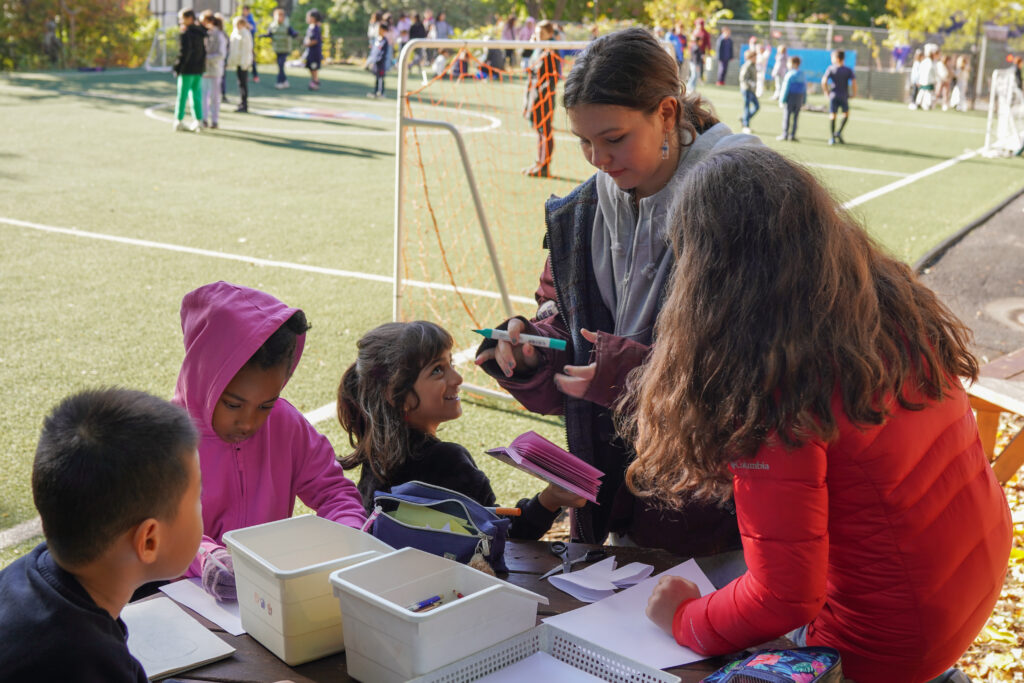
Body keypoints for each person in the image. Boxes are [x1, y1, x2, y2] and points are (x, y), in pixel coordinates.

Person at [631, 144, 1012, 683]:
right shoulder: (887, 300)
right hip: (971, 577)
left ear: (706, 273)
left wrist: (685, 619)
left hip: (888, 641)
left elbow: (782, 598)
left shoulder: (772, 389)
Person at [475, 28, 757, 558]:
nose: (598, 158)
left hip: (724, 512)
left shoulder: (743, 198)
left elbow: (757, 373)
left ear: (668, 113)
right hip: (623, 500)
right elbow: (564, 316)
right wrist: (533, 347)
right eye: (584, 141)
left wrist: (627, 376)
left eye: (614, 137)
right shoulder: (585, 209)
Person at [172, 281, 366, 602]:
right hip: (188, 601)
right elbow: (165, 527)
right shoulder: (164, 441)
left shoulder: (286, 423)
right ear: (203, 376)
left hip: (271, 597)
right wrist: (208, 558)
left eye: (266, 404)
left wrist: (348, 533)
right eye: (233, 404)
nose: (249, 422)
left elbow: (334, 492)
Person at [0, 388, 202, 681]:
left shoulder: (28, 573)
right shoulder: (87, 661)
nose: (202, 506)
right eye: (198, 496)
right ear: (149, 541)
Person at [338, 321, 585, 537]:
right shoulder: (447, 462)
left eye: (451, 363)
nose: (457, 378)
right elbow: (503, 538)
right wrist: (550, 500)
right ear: (395, 393)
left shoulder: (376, 455)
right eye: (437, 370)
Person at [523, 20, 559, 177]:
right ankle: (539, 162)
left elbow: (553, 77)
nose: (538, 36)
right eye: (537, 33)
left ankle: (545, 166)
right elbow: (523, 55)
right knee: (539, 131)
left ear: (550, 34)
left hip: (544, 97)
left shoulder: (551, 50)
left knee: (545, 130)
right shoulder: (537, 48)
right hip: (534, 95)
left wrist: (543, 93)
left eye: (542, 33)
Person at [172, 7, 205, 132]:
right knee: (196, 95)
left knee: (182, 96)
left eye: (182, 18)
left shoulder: (187, 33)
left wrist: (178, 67)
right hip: (198, 69)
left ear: (189, 18)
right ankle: (198, 121)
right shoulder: (200, 32)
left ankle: (178, 120)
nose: (180, 21)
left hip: (188, 70)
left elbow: (184, 52)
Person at [822, 49, 856, 145]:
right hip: (844, 95)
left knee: (833, 115)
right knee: (846, 114)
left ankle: (833, 137)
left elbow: (824, 81)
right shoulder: (848, 70)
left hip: (833, 95)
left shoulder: (831, 68)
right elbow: (854, 83)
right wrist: (854, 93)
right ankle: (839, 132)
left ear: (837, 58)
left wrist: (826, 92)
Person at [199, 10, 226, 129]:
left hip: (215, 70)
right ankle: (204, 119)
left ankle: (215, 120)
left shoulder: (219, 35)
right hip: (204, 70)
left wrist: (207, 58)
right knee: (203, 96)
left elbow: (221, 54)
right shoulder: (203, 34)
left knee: (214, 97)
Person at [265, 8, 298, 89]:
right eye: (278, 16)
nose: (279, 18)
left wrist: (295, 34)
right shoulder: (273, 26)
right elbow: (269, 34)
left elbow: (292, 33)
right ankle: (284, 81)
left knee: (280, 64)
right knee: (280, 66)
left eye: (281, 16)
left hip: (285, 48)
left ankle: (279, 82)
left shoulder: (287, 26)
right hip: (277, 48)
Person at [227, 15, 253, 113]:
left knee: (243, 84)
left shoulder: (245, 34)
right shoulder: (235, 33)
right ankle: (241, 102)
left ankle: (244, 104)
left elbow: (246, 51)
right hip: (238, 62)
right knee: (240, 83)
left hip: (243, 63)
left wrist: (244, 63)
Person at [777, 55, 805, 141]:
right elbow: (804, 88)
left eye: (789, 63)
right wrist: (804, 100)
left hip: (790, 98)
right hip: (799, 98)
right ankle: (792, 135)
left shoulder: (789, 74)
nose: (788, 65)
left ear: (794, 64)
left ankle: (785, 134)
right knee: (796, 117)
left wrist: (782, 99)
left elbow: (785, 88)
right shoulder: (802, 74)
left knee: (787, 117)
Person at [367, 21, 392, 98]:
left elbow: (383, 53)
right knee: (377, 78)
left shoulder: (385, 41)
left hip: (381, 63)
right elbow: (374, 51)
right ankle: (375, 92)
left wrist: (378, 60)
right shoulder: (376, 40)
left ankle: (381, 93)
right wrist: (371, 60)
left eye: (379, 28)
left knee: (381, 78)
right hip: (375, 63)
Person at [738, 46, 759, 134]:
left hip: (751, 90)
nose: (756, 58)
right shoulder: (747, 66)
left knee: (757, 106)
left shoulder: (753, 66)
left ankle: (744, 118)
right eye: (754, 57)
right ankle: (746, 125)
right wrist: (750, 83)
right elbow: (743, 78)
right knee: (747, 107)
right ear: (750, 57)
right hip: (746, 89)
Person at [303, 9, 323, 91]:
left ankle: (315, 81)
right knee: (310, 67)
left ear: (314, 18)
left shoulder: (315, 28)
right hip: (310, 52)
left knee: (314, 68)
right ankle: (314, 81)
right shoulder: (310, 27)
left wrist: (307, 44)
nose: (307, 18)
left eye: (309, 17)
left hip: (315, 53)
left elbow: (315, 40)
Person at [688, 18, 710, 91]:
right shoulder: (694, 32)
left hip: (701, 52)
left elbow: (708, 43)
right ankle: (690, 87)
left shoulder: (705, 33)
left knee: (697, 72)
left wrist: (708, 51)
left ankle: (694, 86)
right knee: (694, 73)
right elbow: (691, 43)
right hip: (694, 54)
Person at [241, 5, 258, 83]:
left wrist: (248, 25)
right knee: (243, 59)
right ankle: (245, 76)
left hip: (250, 43)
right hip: (242, 43)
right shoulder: (241, 18)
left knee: (251, 59)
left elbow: (253, 29)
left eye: (245, 10)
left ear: (248, 11)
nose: (244, 12)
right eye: (243, 10)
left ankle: (255, 75)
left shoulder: (250, 19)